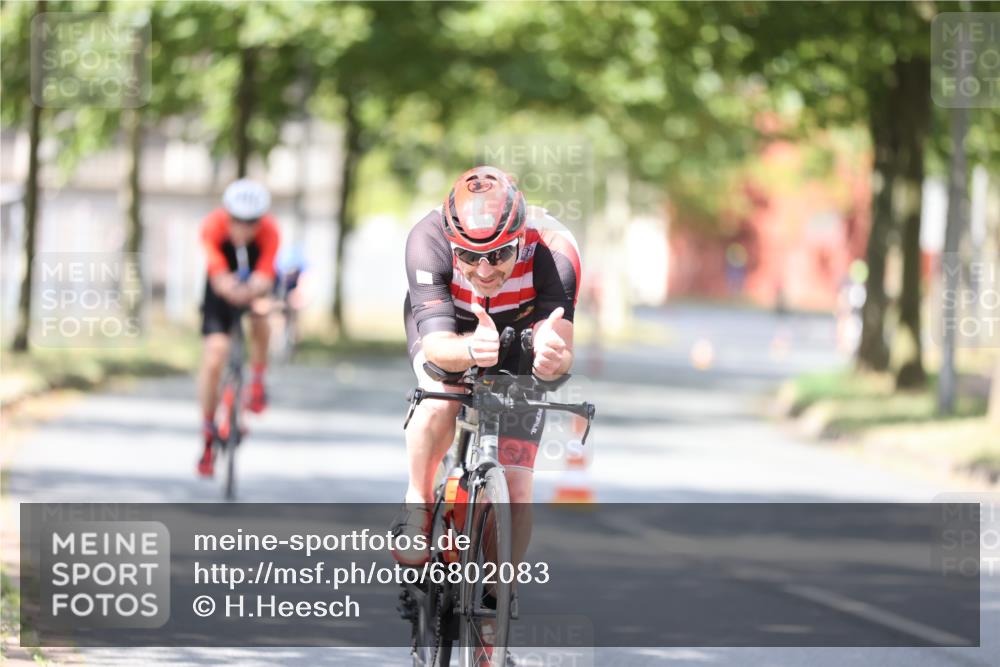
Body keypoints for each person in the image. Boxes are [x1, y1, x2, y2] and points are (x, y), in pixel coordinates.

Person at [392, 165, 581, 568]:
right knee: (440, 399)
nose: (484, 270)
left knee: (515, 489)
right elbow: (440, 348)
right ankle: (418, 503)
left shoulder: (554, 248)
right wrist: (470, 350)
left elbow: (561, 351)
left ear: (521, 236)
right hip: (450, 327)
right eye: (468, 256)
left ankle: (495, 609)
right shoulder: (427, 241)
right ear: (451, 242)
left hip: (521, 332)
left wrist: (550, 357)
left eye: (499, 254)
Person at [196, 179, 280, 477]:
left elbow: (267, 274)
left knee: (262, 316)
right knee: (215, 354)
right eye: (237, 221)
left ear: (261, 220)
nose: (243, 228)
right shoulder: (212, 227)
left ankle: (257, 379)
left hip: (255, 280)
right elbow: (218, 277)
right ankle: (207, 428)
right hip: (221, 287)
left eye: (251, 222)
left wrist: (256, 296)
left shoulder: (270, 231)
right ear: (227, 215)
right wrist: (233, 289)